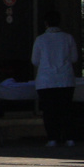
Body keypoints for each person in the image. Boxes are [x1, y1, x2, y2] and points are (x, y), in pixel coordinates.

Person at [31, 10, 79, 147]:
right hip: (65, 78)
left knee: (49, 111)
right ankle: (69, 137)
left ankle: (52, 138)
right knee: (66, 109)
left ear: (45, 23)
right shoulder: (68, 38)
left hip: (46, 80)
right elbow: (74, 58)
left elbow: (35, 60)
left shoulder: (40, 40)